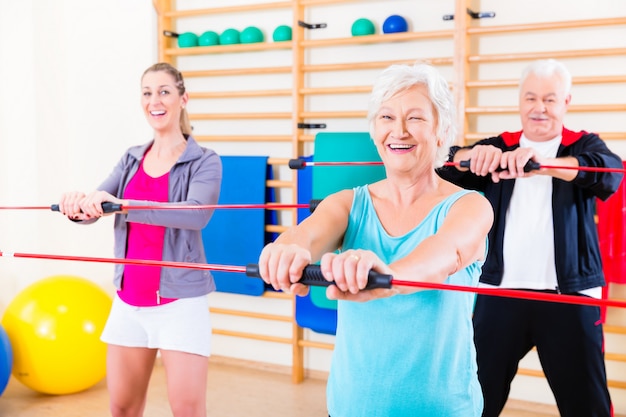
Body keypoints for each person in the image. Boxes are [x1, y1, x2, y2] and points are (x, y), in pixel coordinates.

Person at [257, 62, 493, 416]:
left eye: (415, 118)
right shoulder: (348, 204)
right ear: (373, 130)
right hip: (353, 406)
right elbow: (307, 234)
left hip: (443, 408)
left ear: (442, 132)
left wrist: (390, 278)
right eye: (386, 117)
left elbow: (445, 253)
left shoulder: (470, 206)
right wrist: (284, 251)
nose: (399, 131)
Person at [437, 58, 622, 417]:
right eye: (531, 98)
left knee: (588, 405)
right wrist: (470, 155)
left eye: (550, 99)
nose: (539, 108)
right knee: (475, 399)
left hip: (571, 297)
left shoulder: (583, 145)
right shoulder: (499, 146)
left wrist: (542, 163)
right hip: (499, 295)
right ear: (520, 101)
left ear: (566, 102)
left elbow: (609, 174)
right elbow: (442, 166)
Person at [58, 62, 222, 417]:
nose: (155, 100)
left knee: (188, 411)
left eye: (164, 91)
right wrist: (78, 206)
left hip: (180, 304)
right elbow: (99, 206)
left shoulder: (204, 161)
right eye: (147, 93)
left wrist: (125, 206)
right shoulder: (131, 157)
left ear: (183, 98)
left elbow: (196, 214)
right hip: (128, 302)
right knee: (122, 408)